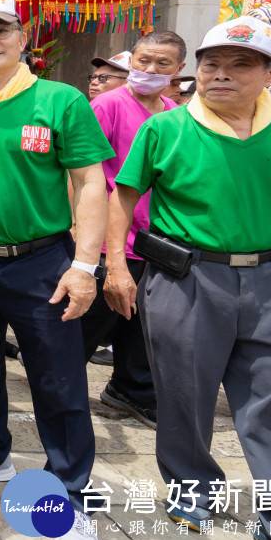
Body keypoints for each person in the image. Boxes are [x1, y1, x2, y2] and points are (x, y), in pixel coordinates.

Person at [107, 16, 271, 540]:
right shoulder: (165, 129)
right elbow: (122, 197)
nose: (221, 75)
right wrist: (116, 268)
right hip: (187, 279)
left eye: (240, 65)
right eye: (211, 64)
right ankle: (193, 489)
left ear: (270, 71)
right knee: (185, 393)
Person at [0, 0, 112, 540]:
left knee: (58, 381)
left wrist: (85, 266)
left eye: (0, 30)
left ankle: (71, 494)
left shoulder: (57, 100)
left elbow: (91, 183)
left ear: (21, 36)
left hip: (44, 263)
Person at [81, 31, 186, 429]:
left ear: (178, 70)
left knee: (141, 324)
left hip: (157, 239)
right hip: (110, 237)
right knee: (90, 322)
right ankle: (61, 392)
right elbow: (84, 172)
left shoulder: (175, 114)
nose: (150, 70)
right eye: (143, 61)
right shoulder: (107, 105)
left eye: (162, 63)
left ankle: (130, 390)